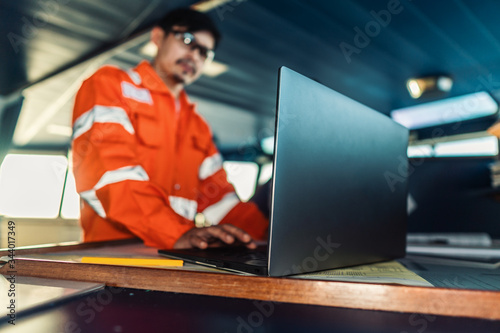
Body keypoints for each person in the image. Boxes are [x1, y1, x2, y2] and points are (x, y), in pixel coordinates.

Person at [71, 8, 268, 250]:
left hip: (175, 256)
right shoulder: (110, 86)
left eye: (204, 52)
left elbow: (220, 201)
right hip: (115, 257)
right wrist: (174, 234)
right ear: (157, 37)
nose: (194, 55)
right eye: (187, 40)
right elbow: (109, 175)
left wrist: (271, 236)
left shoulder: (197, 126)